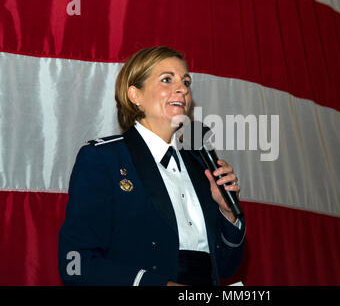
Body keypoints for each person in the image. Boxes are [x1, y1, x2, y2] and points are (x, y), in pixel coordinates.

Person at [58, 46, 245, 286]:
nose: (182, 89)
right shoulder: (104, 159)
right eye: (167, 79)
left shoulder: (201, 168)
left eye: (186, 82)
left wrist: (227, 212)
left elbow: (227, 265)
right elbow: (75, 264)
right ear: (135, 95)